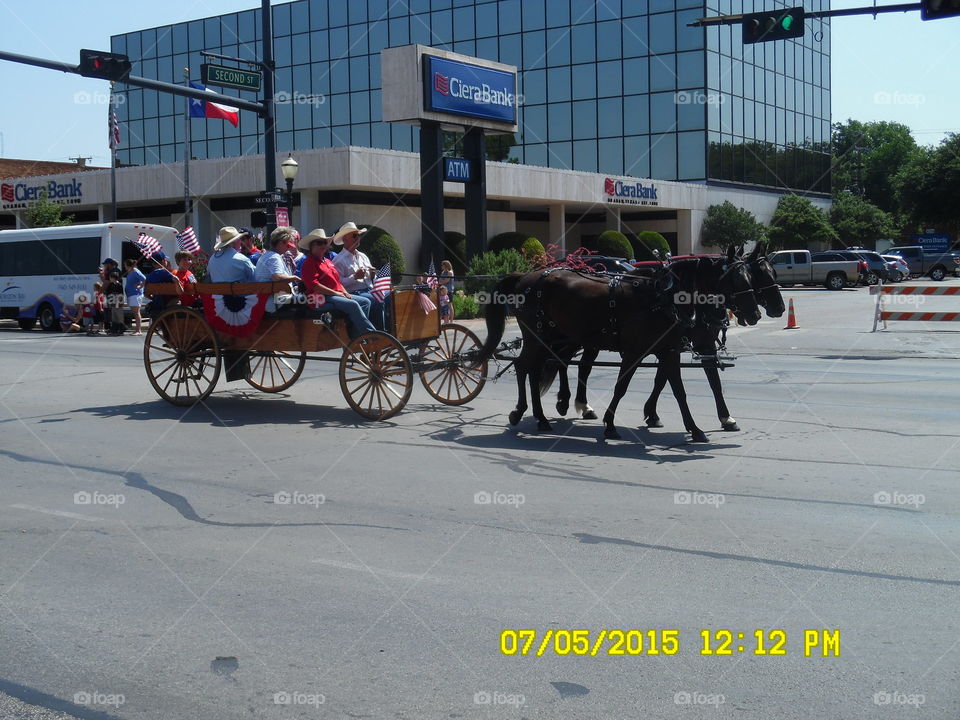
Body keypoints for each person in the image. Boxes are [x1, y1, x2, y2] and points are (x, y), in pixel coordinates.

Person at [299, 228, 375, 339]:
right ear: (311, 246)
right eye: (319, 243)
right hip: (319, 298)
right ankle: (370, 334)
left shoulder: (328, 261)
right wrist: (336, 293)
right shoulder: (309, 263)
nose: (323, 245)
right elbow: (314, 286)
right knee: (353, 304)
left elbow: (337, 281)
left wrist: (344, 292)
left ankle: (356, 335)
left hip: (333, 295)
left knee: (365, 302)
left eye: (325, 242)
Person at [332, 221, 386, 330]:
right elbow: (338, 283)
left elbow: (372, 279)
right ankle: (378, 332)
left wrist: (372, 274)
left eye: (359, 235)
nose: (358, 238)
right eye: (354, 236)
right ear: (345, 239)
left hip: (369, 289)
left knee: (391, 296)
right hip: (353, 293)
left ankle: (388, 329)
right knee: (376, 299)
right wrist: (355, 277)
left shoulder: (363, 256)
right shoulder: (338, 260)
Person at [254, 227, 301, 314]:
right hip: (274, 302)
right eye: (287, 245)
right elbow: (277, 277)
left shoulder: (266, 255)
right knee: (310, 300)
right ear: (280, 243)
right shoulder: (274, 257)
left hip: (266, 300)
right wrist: (295, 278)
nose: (288, 249)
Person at [143, 251, 183, 317]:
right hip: (169, 304)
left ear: (153, 264)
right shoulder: (166, 273)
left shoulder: (149, 276)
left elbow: (146, 294)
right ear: (164, 261)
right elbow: (176, 283)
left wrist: (153, 298)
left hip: (156, 306)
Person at [123, 258, 146, 335]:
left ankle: (138, 330)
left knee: (136, 313)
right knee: (135, 312)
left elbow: (144, 279)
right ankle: (137, 330)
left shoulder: (136, 271)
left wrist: (140, 286)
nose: (125, 267)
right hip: (131, 294)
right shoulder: (130, 272)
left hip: (136, 294)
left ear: (129, 265)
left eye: (125, 265)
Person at [105, 270, 125, 335]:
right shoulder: (110, 285)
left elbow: (121, 294)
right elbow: (108, 293)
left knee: (119, 316)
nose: (110, 279)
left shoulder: (119, 285)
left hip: (118, 303)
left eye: (110, 277)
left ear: (113, 278)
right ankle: (114, 330)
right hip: (113, 302)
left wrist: (119, 301)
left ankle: (121, 329)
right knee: (114, 316)